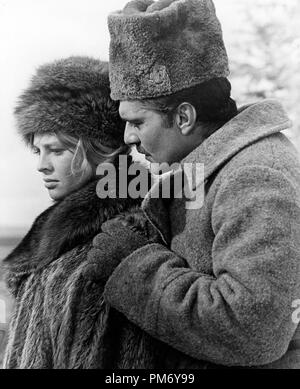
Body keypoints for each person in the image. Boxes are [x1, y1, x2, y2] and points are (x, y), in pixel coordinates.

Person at [93, 0, 300, 368]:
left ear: (185, 116)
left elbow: (253, 332)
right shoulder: (212, 167)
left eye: (138, 122)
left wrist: (137, 266)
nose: (128, 137)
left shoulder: (256, 177)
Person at [2, 56, 170, 369]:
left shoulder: (126, 237)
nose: (41, 164)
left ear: (100, 149)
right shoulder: (62, 235)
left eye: (56, 150)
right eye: (37, 150)